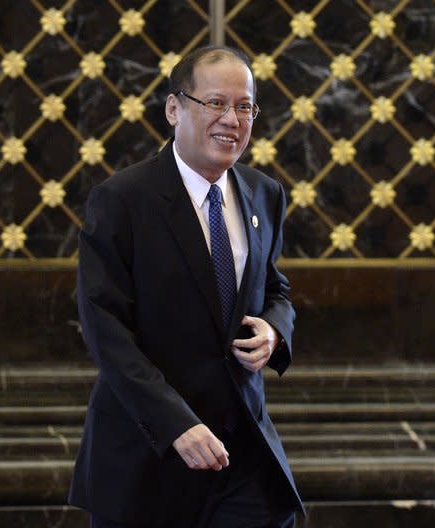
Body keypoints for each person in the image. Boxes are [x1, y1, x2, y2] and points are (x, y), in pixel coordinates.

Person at [68, 45, 303, 527]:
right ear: (174, 108)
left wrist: (274, 332)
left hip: (242, 454)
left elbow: (276, 289)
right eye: (215, 103)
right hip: (148, 453)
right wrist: (175, 423)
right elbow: (105, 327)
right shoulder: (122, 200)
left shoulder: (265, 194)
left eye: (244, 106)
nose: (232, 119)